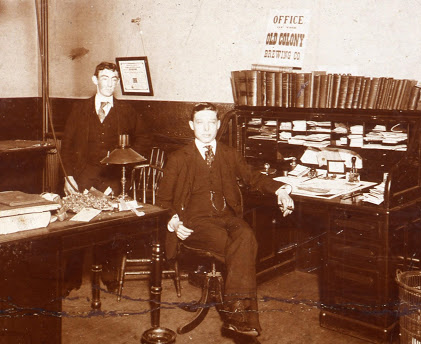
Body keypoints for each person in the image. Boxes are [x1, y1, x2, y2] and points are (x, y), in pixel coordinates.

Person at [156, 102, 294, 340]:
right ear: (191, 126)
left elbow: (253, 177)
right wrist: (175, 223)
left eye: (212, 123)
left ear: (219, 125)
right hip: (194, 222)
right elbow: (162, 201)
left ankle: (235, 312)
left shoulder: (229, 154)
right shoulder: (179, 158)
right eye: (200, 123)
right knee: (240, 248)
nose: (207, 129)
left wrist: (281, 190)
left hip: (227, 217)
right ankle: (240, 317)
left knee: (246, 236)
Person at [60, 61, 150, 293]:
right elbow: (67, 146)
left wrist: (125, 170)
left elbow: (144, 140)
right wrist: (68, 176)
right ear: (95, 80)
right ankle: (72, 277)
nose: (110, 83)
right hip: (81, 176)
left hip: (112, 178)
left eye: (114, 79)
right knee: (77, 227)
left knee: (110, 229)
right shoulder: (79, 109)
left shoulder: (126, 112)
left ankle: (109, 275)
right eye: (105, 78)